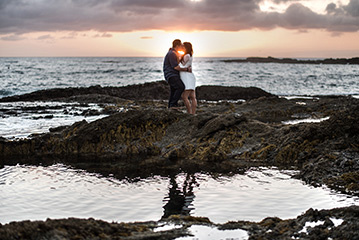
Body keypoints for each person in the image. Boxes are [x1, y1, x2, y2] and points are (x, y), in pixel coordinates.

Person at [163, 39, 192, 109]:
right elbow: (175, 67)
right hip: (171, 75)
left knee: (173, 90)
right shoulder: (172, 53)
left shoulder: (172, 52)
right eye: (181, 45)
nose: (182, 47)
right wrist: (186, 69)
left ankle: (170, 106)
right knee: (181, 87)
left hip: (170, 75)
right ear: (177, 46)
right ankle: (173, 105)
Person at [179, 42, 197, 115]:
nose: (182, 47)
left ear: (186, 47)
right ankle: (193, 113)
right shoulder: (190, 55)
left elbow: (181, 65)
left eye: (183, 46)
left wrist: (178, 60)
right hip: (189, 76)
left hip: (187, 77)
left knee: (184, 96)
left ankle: (189, 112)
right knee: (192, 97)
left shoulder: (186, 55)